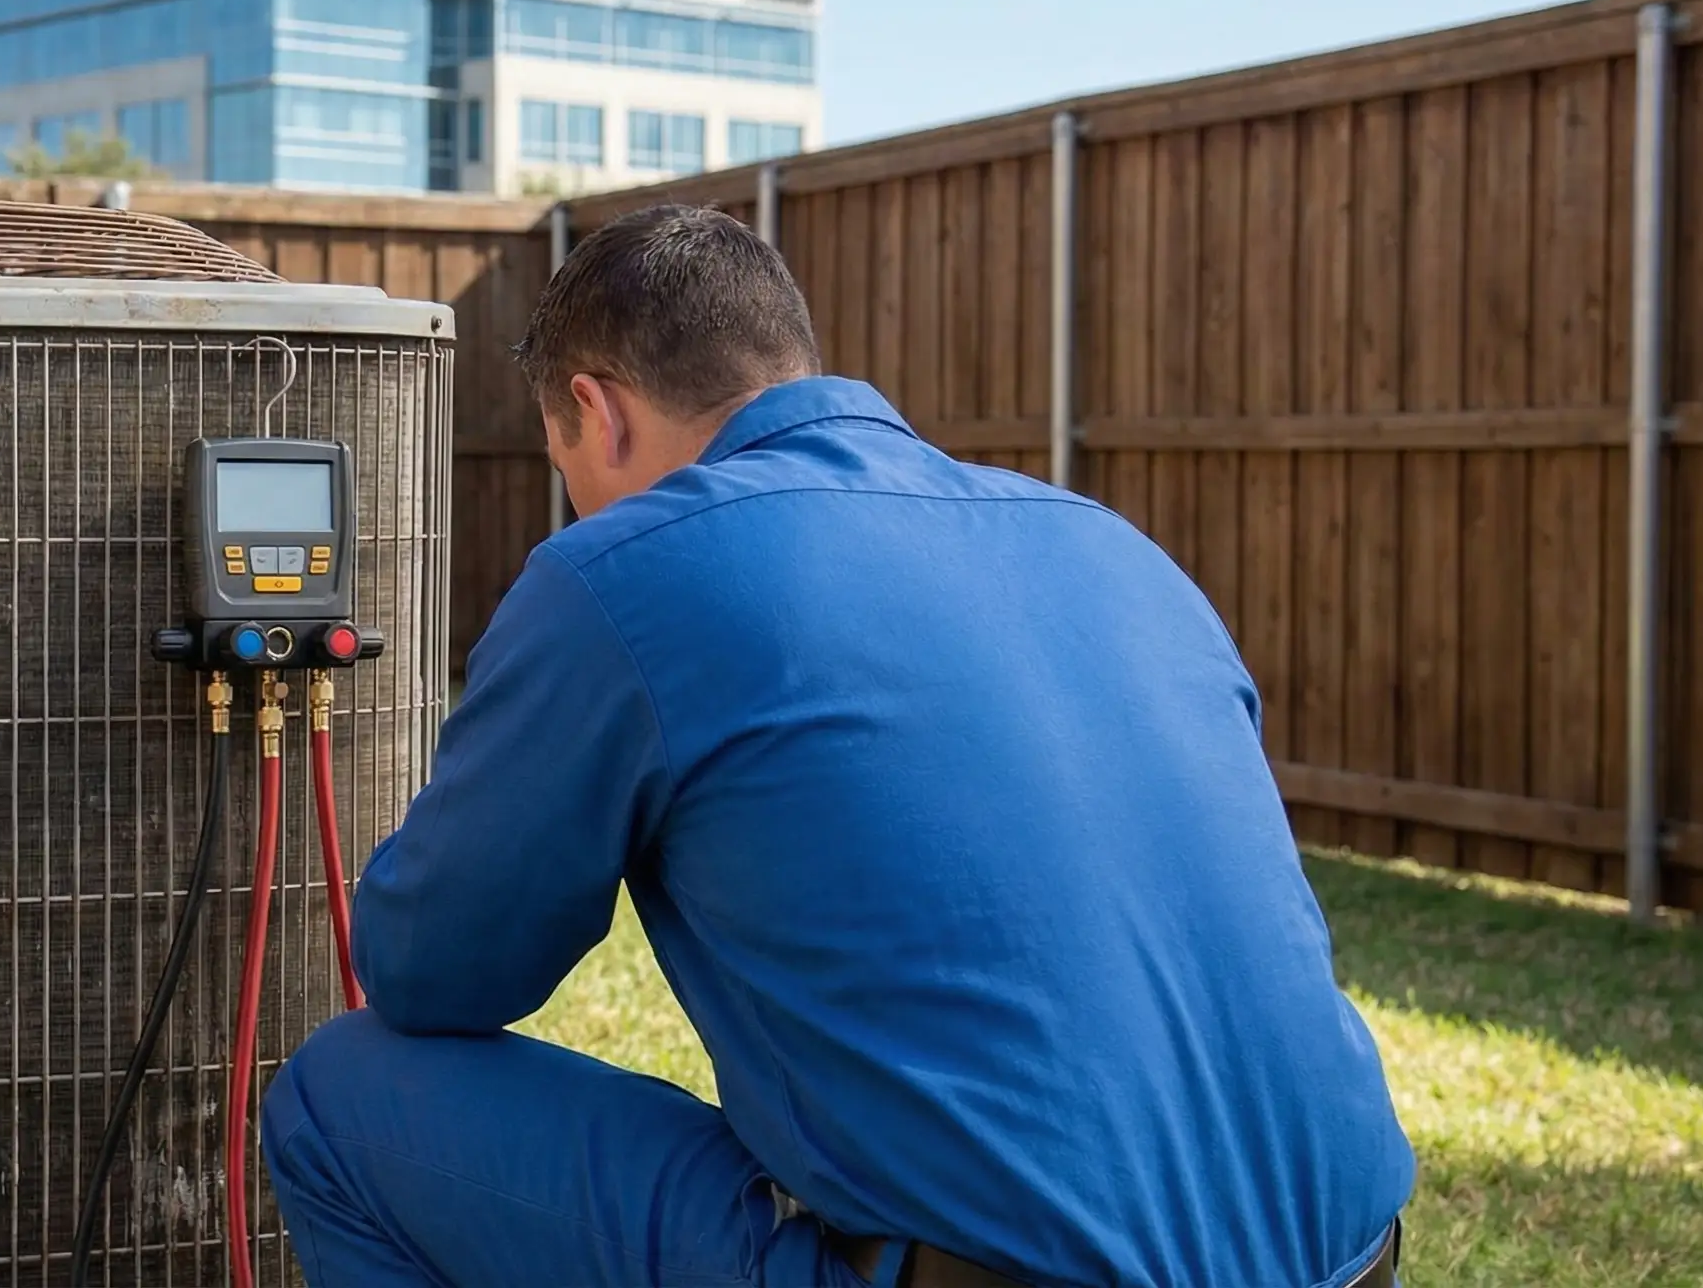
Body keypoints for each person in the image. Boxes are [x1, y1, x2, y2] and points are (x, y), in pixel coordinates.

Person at [259, 205, 1413, 1287]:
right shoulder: (1107, 543)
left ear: (596, 412)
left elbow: (432, 972)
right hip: (1354, 1254)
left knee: (337, 1098)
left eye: (572, 476)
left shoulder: (622, 573)